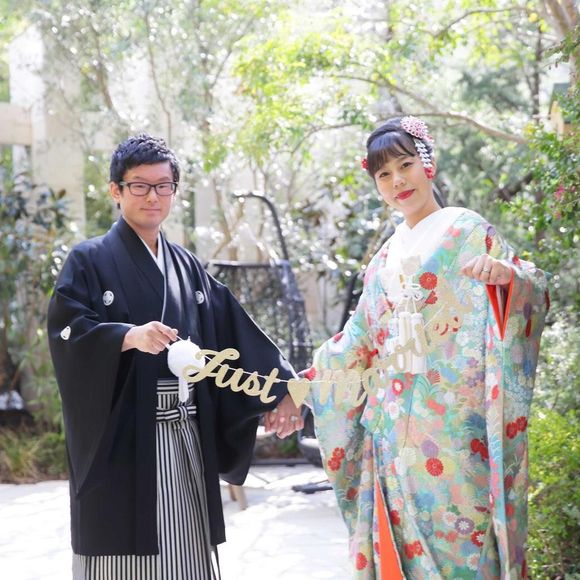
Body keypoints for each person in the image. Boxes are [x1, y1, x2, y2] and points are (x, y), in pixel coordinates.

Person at [47, 134, 302, 579]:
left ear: (174, 191)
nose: (153, 196)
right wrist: (127, 336)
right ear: (116, 190)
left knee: (185, 551)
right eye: (140, 186)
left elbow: (233, 334)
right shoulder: (88, 260)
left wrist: (281, 388)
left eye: (163, 186)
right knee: (120, 550)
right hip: (121, 438)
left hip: (185, 432)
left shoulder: (185, 266)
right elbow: (68, 332)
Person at [305, 117, 549, 579]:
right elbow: (358, 341)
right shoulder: (383, 259)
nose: (398, 180)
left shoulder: (468, 231)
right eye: (384, 174)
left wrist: (506, 279)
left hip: (459, 429)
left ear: (427, 164)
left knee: (466, 546)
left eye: (405, 165)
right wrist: (310, 379)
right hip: (395, 432)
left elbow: (531, 286)